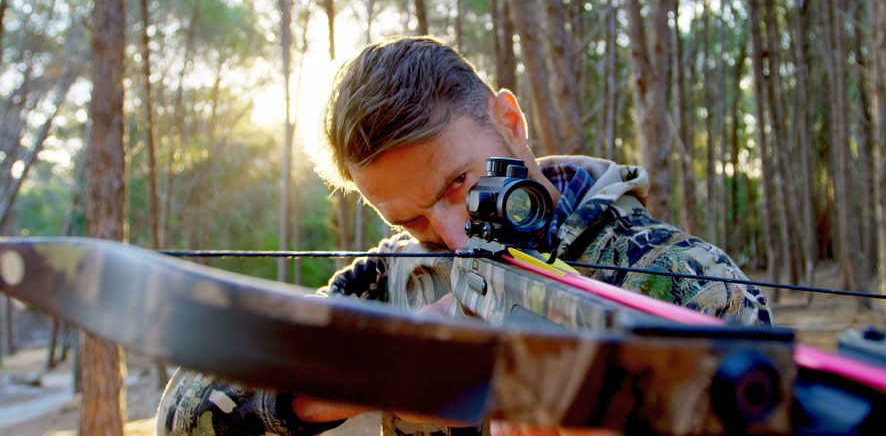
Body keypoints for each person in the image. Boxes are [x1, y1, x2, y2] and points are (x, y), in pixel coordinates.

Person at [157, 36, 772, 435]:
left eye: (458, 184)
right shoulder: (393, 277)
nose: (450, 237)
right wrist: (378, 371)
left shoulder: (687, 285)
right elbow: (184, 409)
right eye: (411, 219)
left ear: (510, 121)